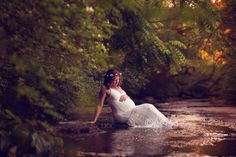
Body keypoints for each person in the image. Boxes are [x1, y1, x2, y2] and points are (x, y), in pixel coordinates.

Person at [90, 69, 173, 128]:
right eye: (115, 80)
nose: (117, 82)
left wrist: (126, 97)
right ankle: (167, 124)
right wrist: (94, 120)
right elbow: (99, 105)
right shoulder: (105, 89)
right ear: (109, 79)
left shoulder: (119, 87)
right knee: (149, 106)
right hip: (122, 114)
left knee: (149, 114)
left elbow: (126, 98)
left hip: (131, 110)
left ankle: (165, 124)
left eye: (118, 80)